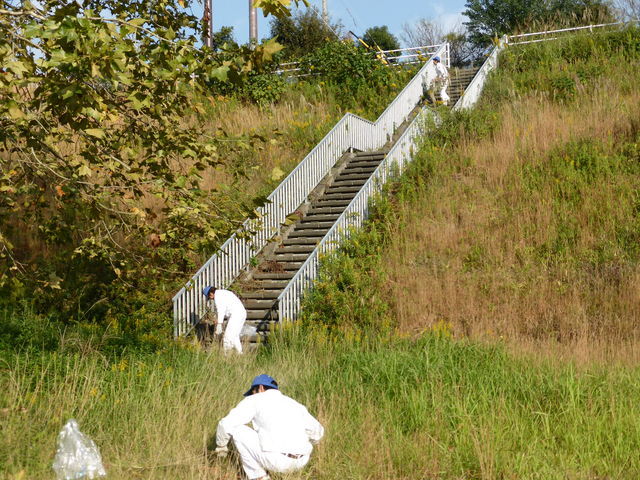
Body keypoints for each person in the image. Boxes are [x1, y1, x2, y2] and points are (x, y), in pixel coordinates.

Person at [214, 374, 324, 480]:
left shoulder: (255, 399)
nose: (252, 394)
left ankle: (259, 477)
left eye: (253, 391)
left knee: (238, 430)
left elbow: (225, 424)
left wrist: (221, 448)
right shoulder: (295, 404)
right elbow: (318, 432)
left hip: (277, 462)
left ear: (260, 388)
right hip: (302, 461)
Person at [202, 285, 247, 354]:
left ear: (211, 293)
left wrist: (219, 323)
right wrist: (218, 320)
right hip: (241, 313)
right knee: (234, 336)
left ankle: (227, 356)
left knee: (227, 336)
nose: (211, 299)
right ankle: (240, 354)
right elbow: (224, 309)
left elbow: (221, 310)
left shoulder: (218, 297)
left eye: (210, 297)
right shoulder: (222, 293)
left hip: (236, 315)